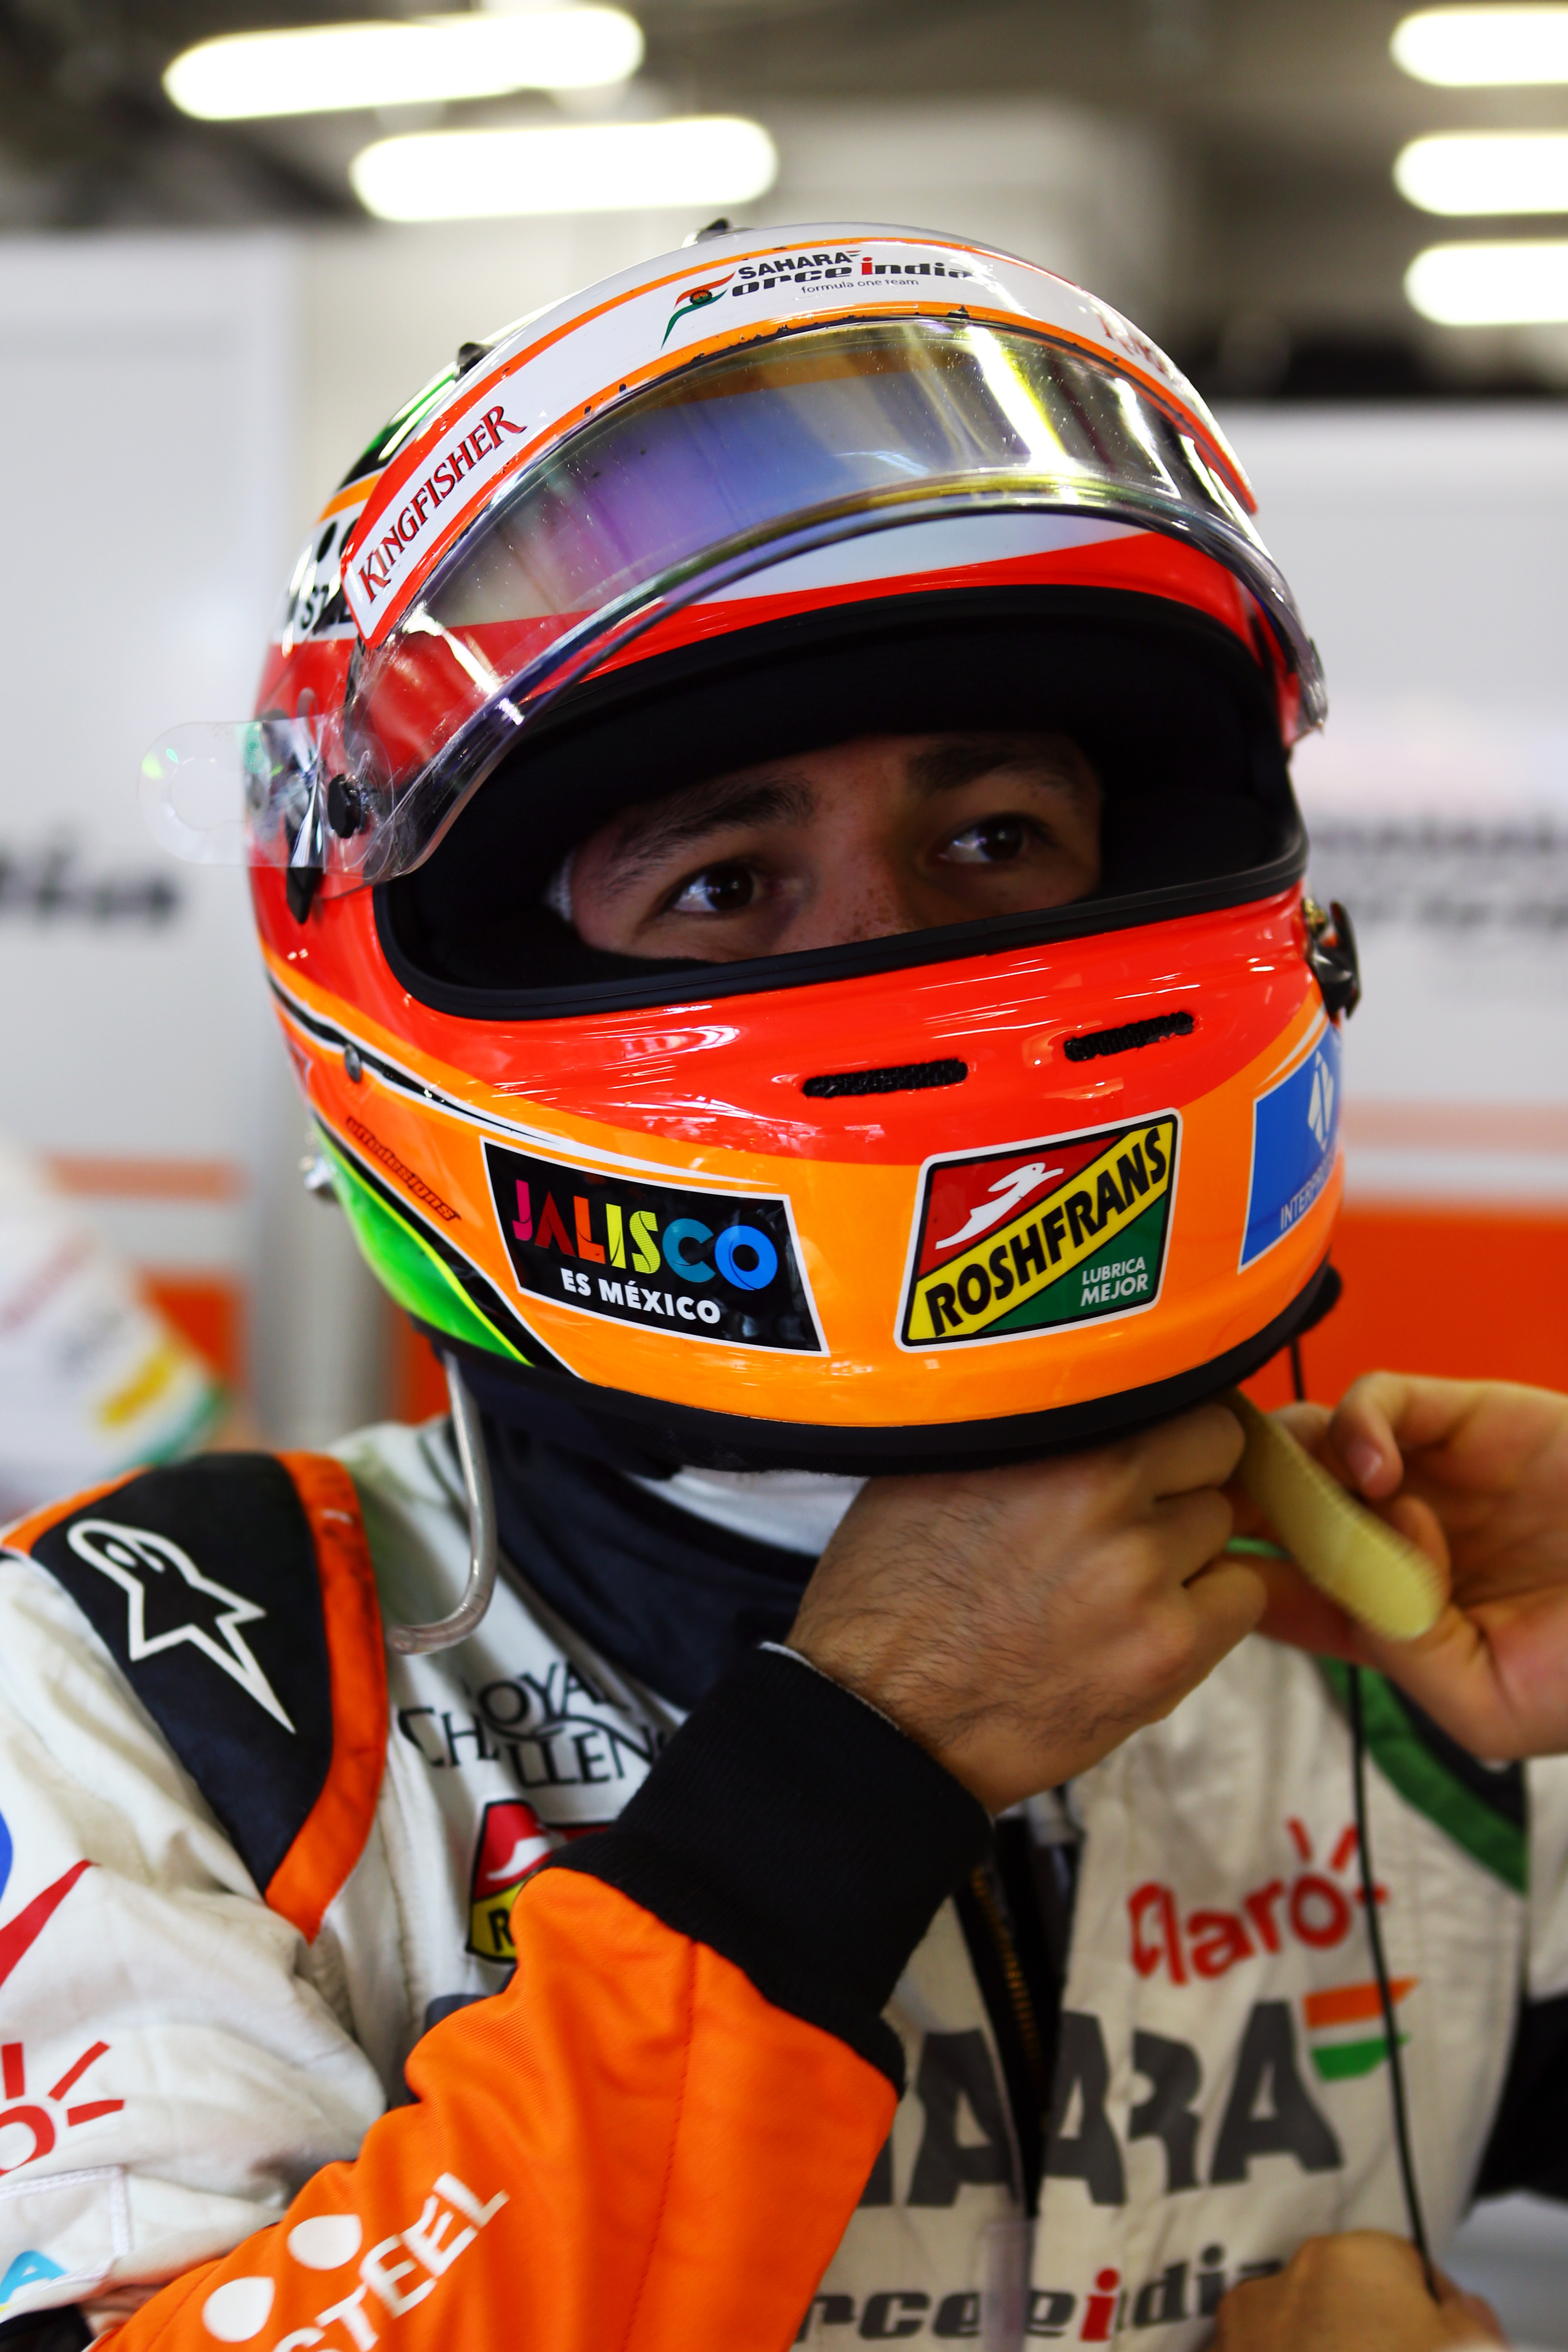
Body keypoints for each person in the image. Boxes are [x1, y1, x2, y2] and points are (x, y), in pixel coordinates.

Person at [2, 220, 1561, 2352]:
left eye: (995, 837)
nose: (906, 957)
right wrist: (853, 1776)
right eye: (727, 884)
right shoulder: (149, 1698)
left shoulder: (1409, 1651)